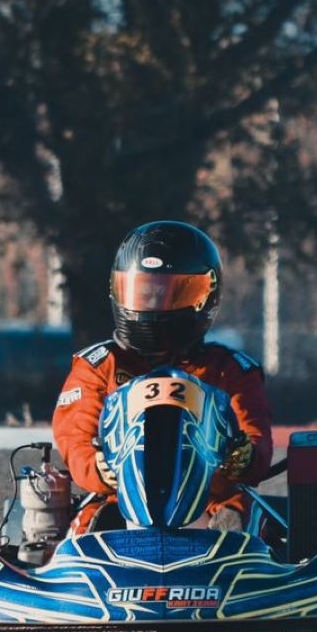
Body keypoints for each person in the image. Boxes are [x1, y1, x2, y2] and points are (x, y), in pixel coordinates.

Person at [51, 220, 274, 534]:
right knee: (93, 527)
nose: (153, 305)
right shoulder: (100, 365)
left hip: (210, 504)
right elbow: (76, 441)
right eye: (142, 293)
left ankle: (236, 570)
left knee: (240, 518)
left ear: (205, 297)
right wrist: (98, 468)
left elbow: (257, 442)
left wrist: (245, 457)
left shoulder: (229, 369)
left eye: (169, 293)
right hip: (121, 500)